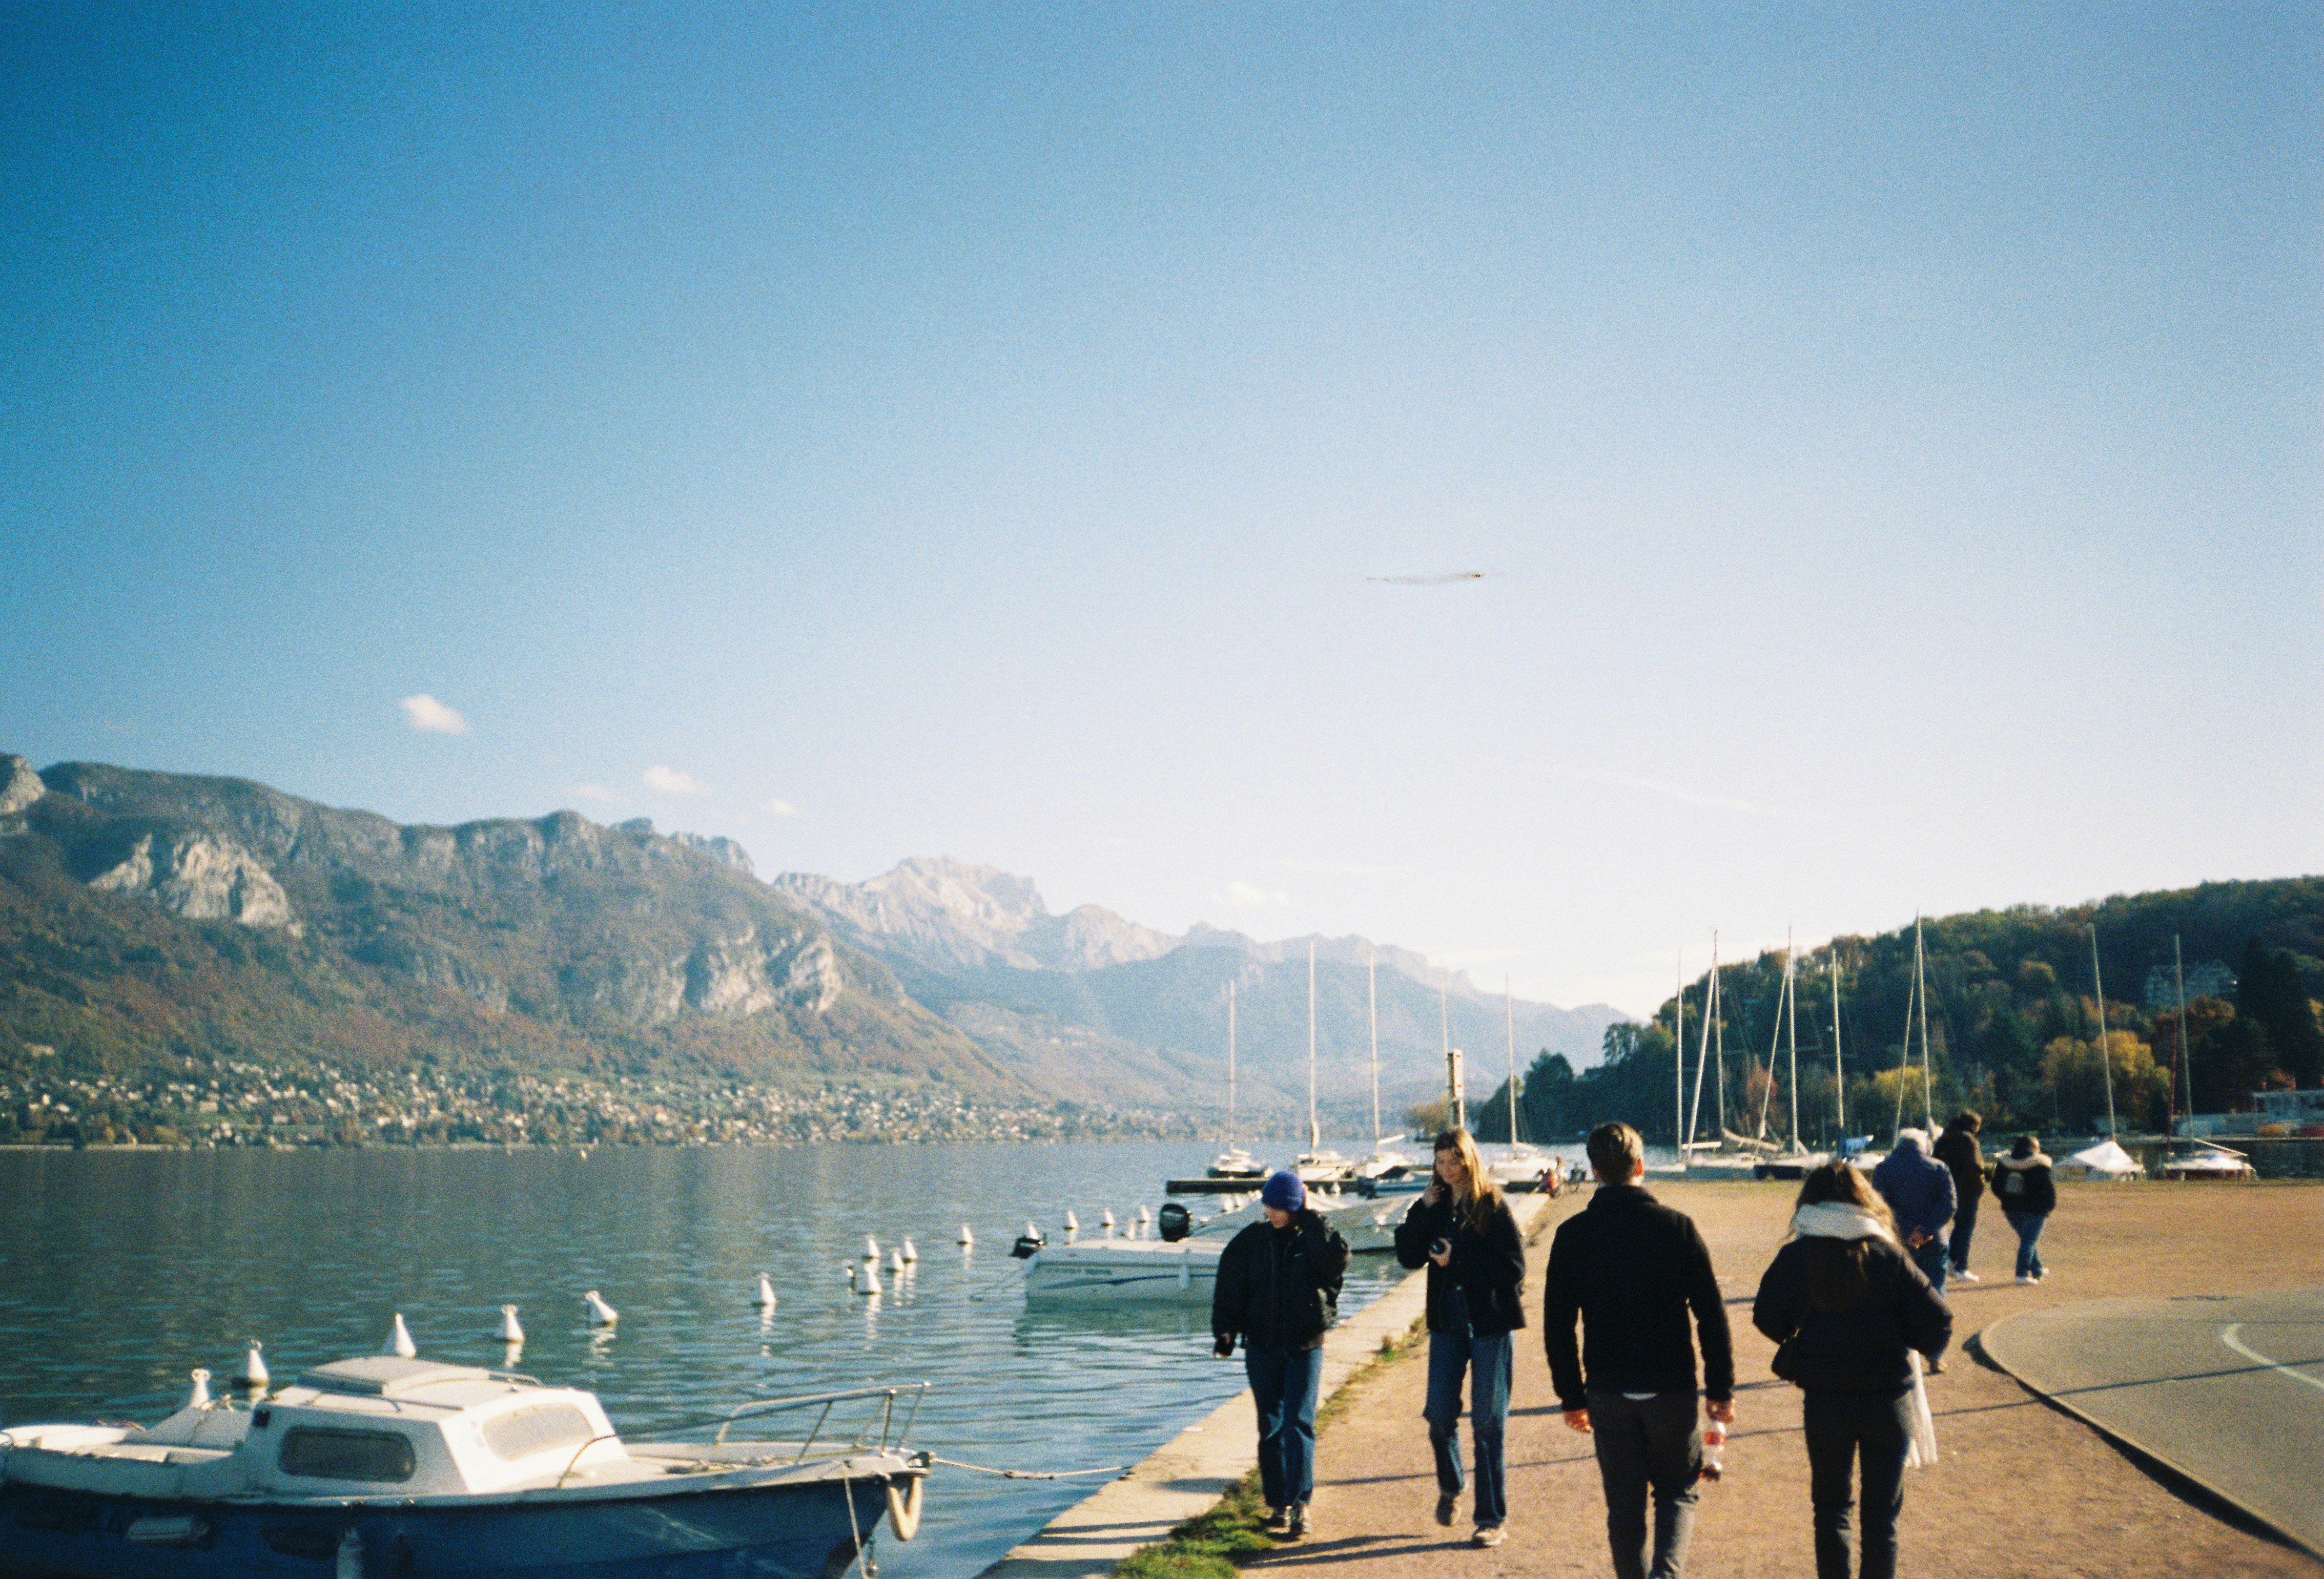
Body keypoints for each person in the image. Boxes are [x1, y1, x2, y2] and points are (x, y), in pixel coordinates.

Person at [1545, 1122, 1734, 1579]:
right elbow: (1711, 1314)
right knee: (1677, 1492)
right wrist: (1721, 1387)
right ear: (1641, 1166)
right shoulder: (1676, 1228)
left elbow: (1558, 1327)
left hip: (1608, 1389)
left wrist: (1571, 1397)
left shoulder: (1573, 1235)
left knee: (1624, 1508)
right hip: (1670, 1386)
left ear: (1592, 1172)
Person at [1752, 1161, 1951, 1579]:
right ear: (1865, 1200)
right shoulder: (1887, 1254)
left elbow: (1766, 1317)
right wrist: (1905, 1336)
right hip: (1889, 1398)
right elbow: (1939, 1321)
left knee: (1830, 1511)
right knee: (1882, 1518)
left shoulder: (1797, 1254)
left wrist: (1800, 1339)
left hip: (1826, 1400)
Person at [1394, 1128, 1527, 1548]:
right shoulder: (1433, 1205)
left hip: (1489, 1324)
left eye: (1454, 1161)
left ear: (1469, 1159)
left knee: (1488, 1424)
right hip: (1447, 1324)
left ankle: (1490, 1519)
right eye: (1440, 1162)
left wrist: (1458, 1259)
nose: (1447, 1170)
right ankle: (1452, 1486)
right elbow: (1407, 1257)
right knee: (1437, 1415)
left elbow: (1514, 1267)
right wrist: (1419, 1210)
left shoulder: (1491, 1204)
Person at [1212, 1168, 1350, 1540]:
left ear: (1296, 1206)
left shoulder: (1314, 1240)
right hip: (1261, 1346)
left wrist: (1309, 1215)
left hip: (1305, 1346)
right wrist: (1224, 1332)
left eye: (1282, 1208)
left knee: (1299, 1423)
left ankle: (1300, 1506)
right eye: (1269, 1205)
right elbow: (1228, 1289)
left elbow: (1336, 1262)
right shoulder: (1250, 1242)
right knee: (1269, 1427)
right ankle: (1277, 1503)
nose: (1273, 1213)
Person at [1869, 1129, 1956, 1332]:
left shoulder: (1883, 1169)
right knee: (1935, 1290)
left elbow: (1880, 1205)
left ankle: (1906, 1344)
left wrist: (1908, 1230)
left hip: (1899, 1240)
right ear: (1924, 1146)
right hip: (1934, 1240)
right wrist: (1925, 1230)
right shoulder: (1939, 1168)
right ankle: (1936, 1347)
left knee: (1901, 1292)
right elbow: (1949, 1204)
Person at [1990, 1134, 2057, 1283]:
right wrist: (2048, 1206)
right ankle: (2021, 1275)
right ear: (2033, 1147)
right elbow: (2047, 1188)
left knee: (2027, 1240)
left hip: (2011, 1209)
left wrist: (2006, 1199)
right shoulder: (2040, 1164)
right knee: (2028, 1242)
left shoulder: (2005, 1162)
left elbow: (1996, 1186)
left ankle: (2037, 1269)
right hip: (2035, 1210)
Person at [1930, 1113, 1988, 1283]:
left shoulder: (1944, 1139)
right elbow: (1976, 1168)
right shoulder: (1969, 1141)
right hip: (1966, 1193)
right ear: (1973, 1125)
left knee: (1957, 1228)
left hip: (1946, 1191)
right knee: (1965, 1230)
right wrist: (1979, 1190)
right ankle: (1961, 1267)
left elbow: (1936, 1163)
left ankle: (1951, 1261)